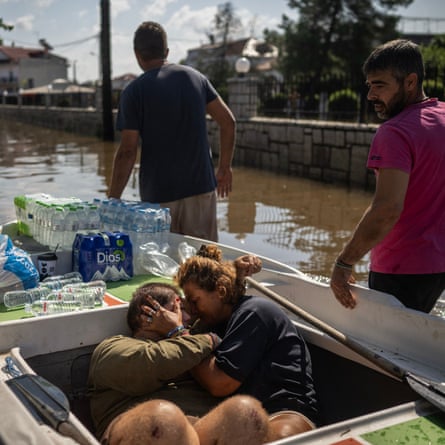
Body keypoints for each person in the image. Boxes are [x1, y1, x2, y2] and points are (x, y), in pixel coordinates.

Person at [330, 39, 445, 314]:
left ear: (410, 82)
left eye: (380, 85)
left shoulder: (394, 132)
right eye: (369, 85)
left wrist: (344, 263)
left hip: (401, 266)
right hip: (439, 265)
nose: (370, 94)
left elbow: (387, 209)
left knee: (387, 350)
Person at [88, 281, 269, 445]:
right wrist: (200, 338)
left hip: (198, 430)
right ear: (146, 313)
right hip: (143, 430)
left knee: (246, 413)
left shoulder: (191, 347)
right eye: (178, 308)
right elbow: (153, 362)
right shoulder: (113, 347)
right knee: (163, 417)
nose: (187, 319)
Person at [175, 244, 320, 442]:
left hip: (284, 413)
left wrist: (178, 333)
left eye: (195, 301)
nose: (191, 310)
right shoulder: (214, 322)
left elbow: (220, 383)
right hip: (240, 417)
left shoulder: (254, 312)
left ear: (220, 291)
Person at [108, 21, 236, 242]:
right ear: (166, 52)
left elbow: (128, 152)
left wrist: (113, 199)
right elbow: (229, 122)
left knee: (162, 268)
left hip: (159, 198)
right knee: (205, 266)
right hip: (201, 188)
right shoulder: (196, 78)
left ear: (137, 55)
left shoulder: (133, 92)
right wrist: (224, 168)